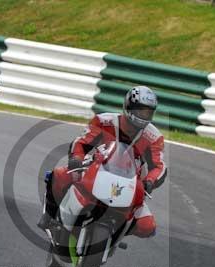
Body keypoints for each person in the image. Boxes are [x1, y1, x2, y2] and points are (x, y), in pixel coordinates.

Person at [38, 86, 166, 238]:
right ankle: (50, 215)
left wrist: (150, 181)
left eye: (148, 112)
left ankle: (117, 233)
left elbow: (159, 166)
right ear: (129, 106)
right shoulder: (103, 121)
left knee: (148, 226)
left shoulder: (154, 137)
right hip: (95, 168)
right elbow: (81, 142)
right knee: (58, 175)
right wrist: (77, 158)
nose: (144, 116)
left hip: (130, 182)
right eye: (141, 111)